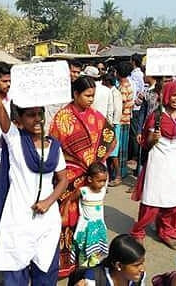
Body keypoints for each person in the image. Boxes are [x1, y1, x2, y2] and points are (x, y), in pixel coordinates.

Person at [0, 40, 68, 285]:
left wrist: (49, 201)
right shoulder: (15, 139)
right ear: (20, 118)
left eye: (39, 114)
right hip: (18, 217)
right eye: (30, 115)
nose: (36, 119)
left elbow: (63, 179)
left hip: (47, 219)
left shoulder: (54, 146)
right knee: (15, 274)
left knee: (45, 272)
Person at [49, 75, 116, 277]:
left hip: (91, 176)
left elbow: (109, 139)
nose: (91, 99)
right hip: (68, 176)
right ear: (76, 94)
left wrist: (95, 164)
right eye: (87, 95)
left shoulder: (96, 116)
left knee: (88, 218)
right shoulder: (62, 118)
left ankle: (84, 260)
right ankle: (63, 263)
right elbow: (54, 147)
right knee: (67, 217)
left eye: (93, 96)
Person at [130, 81, 176, 242]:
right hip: (158, 160)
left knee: (173, 198)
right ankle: (139, 231)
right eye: (174, 95)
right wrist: (153, 138)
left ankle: (165, 230)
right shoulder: (156, 116)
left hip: (175, 161)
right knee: (152, 198)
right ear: (166, 95)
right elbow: (146, 143)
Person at [72, 162, 109, 267]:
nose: (102, 184)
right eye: (99, 181)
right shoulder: (83, 191)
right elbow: (69, 200)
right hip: (86, 226)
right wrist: (65, 213)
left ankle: (93, 262)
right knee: (84, 246)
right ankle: (83, 267)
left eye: (104, 181)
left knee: (97, 245)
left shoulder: (102, 191)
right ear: (89, 179)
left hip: (99, 224)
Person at [73, 234, 146, 286]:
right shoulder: (93, 281)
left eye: (142, 263)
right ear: (119, 265)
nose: (142, 269)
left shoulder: (139, 277)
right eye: (136, 265)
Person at [103, 72, 123, 187]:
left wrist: (113, 125)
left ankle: (118, 176)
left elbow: (117, 110)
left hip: (114, 125)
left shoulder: (115, 93)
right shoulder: (110, 92)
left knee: (113, 153)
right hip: (111, 124)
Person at [115, 62, 134, 178]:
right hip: (126, 119)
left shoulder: (123, 87)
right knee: (123, 148)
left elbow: (120, 105)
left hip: (122, 120)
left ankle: (120, 173)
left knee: (119, 148)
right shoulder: (128, 85)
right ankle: (122, 171)